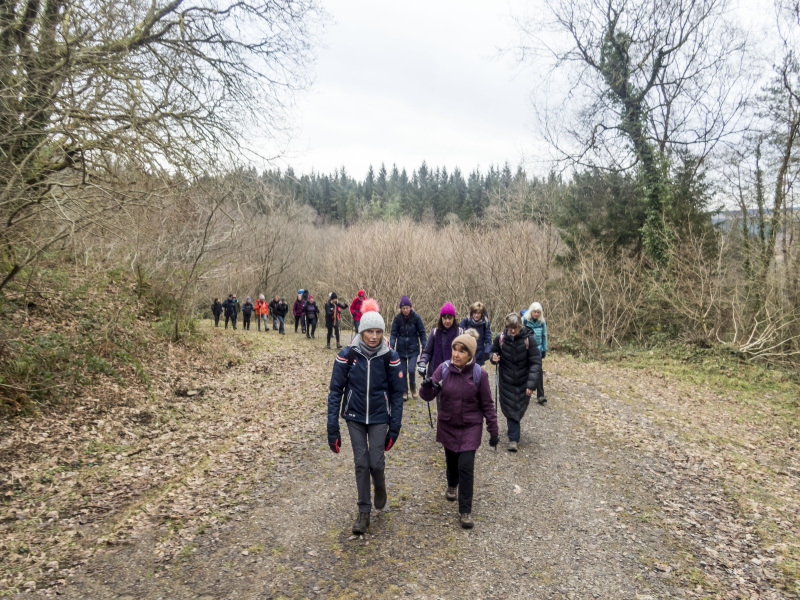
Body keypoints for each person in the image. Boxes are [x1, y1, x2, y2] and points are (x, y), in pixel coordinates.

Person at [327, 299, 405, 535]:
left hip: (380, 416)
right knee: (361, 462)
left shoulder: (390, 356)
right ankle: (364, 512)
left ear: (383, 333)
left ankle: (379, 486)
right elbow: (335, 391)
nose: (373, 336)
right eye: (369, 331)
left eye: (378, 331)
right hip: (355, 416)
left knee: (376, 462)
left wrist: (395, 426)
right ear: (361, 331)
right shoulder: (347, 355)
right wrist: (332, 427)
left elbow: (397, 394)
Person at [419, 329, 499, 529]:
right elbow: (427, 396)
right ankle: (451, 484)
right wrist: (427, 386)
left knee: (466, 467)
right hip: (448, 424)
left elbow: (488, 405)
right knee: (452, 462)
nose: (456, 354)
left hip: (471, 427)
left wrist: (494, 430)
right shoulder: (443, 369)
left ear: (470, 355)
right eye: (454, 349)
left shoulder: (480, 374)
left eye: (461, 351)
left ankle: (465, 510)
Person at [489, 313, 541, 452]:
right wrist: (493, 358)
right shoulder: (500, 338)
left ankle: (513, 430)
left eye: (516, 328)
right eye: (510, 328)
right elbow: (493, 352)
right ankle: (513, 439)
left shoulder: (529, 339)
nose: (513, 331)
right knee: (510, 407)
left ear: (520, 326)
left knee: (519, 407)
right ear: (506, 327)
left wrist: (531, 384)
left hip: (524, 380)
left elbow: (536, 362)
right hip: (506, 380)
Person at [389, 295, 427, 399]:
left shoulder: (416, 317)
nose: (405, 310)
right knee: (403, 371)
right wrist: (391, 345)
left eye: (407, 308)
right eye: (403, 308)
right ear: (401, 309)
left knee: (411, 370)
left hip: (413, 348)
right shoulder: (397, 318)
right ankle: (404, 391)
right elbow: (393, 333)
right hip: (401, 349)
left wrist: (425, 345)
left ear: (410, 307)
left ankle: (413, 387)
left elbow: (422, 333)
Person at [417, 302, 462, 379]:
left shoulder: (460, 333)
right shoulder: (434, 332)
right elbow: (427, 351)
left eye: (450, 317)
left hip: (454, 376)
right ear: (441, 318)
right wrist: (422, 362)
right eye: (445, 317)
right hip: (434, 374)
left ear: (454, 318)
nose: (447, 321)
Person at [522, 302, 548, 404]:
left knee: (538, 371)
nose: (536, 314)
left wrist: (544, 349)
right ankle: (524, 392)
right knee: (525, 370)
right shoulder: (525, 320)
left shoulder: (542, 322)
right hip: (526, 349)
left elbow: (544, 335)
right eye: (534, 312)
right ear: (531, 311)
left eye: (538, 312)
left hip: (538, 349)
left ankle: (540, 396)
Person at [459, 301, 492, 366]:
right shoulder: (466, 321)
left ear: (482, 313)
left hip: (479, 354)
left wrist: (487, 352)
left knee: (477, 374)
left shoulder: (485, 323)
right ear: (471, 312)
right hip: (467, 353)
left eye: (478, 313)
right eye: (474, 312)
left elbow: (488, 339)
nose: (476, 315)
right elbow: (459, 336)